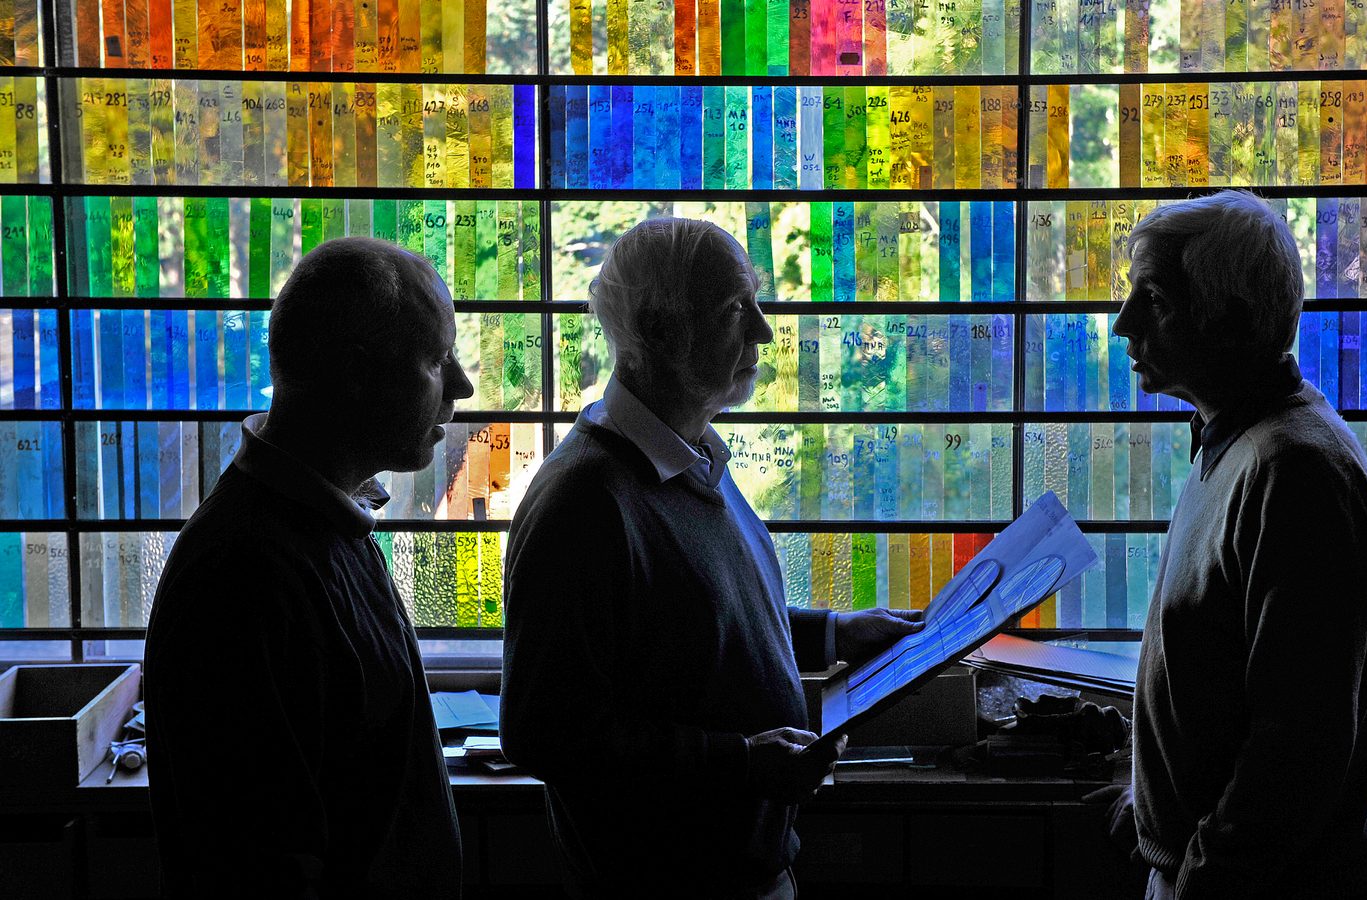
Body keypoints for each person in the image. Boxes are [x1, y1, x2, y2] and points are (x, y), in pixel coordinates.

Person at [500, 218, 922, 899]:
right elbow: (543, 731)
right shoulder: (584, 500)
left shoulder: (690, 455)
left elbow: (692, 619)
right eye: (735, 310)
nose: (763, 331)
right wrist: (740, 763)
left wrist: (834, 634)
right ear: (660, 331)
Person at [144, 237, 473, 898]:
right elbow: (259, 868)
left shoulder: (323, 524)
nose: (461, 386)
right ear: (357, 372)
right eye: (438, 359)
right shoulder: (241, 577)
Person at [1106, 191, 1367, 898]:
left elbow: (1297, 746)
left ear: (1230, 319)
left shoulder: (1292, 471)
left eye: (1156, 301)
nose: (1123, 325)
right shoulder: (1235, 442)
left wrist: (1203, 878)